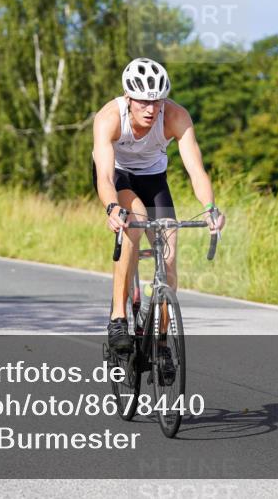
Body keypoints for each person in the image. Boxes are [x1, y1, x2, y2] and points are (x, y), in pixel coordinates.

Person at [92, 58, 225, 355]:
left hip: (153, 177)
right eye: (142, 102)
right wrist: (112, 207)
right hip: (119, 176)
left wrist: (210, 206)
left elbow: (196, 169)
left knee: (169, 250)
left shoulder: (176, 116)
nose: (151, 109)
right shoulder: (109, 117)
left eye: (157, 101)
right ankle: (118, 318)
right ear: (128, 98)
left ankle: (162, 339)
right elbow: (103, 175)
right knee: (134, 222)